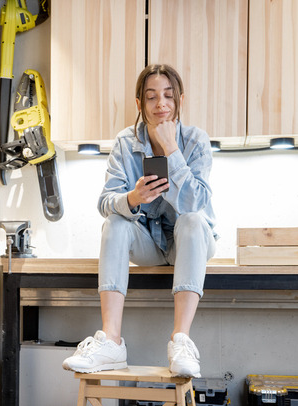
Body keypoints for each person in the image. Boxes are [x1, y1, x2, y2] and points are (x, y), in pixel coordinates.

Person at [62, 64, 217, 378]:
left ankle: (181, 341)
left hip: (189, 243)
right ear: (139, 104)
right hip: (147, 243)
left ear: (180, 101)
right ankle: (111, 342)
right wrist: (132, 198)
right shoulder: (124, 143)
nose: (161, 103)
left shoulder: (195, 141)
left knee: (190, 221)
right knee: (115, 223)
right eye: (151, 97)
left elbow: (194, 204)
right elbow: (105, 202)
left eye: (168, 96)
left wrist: (172, 149)